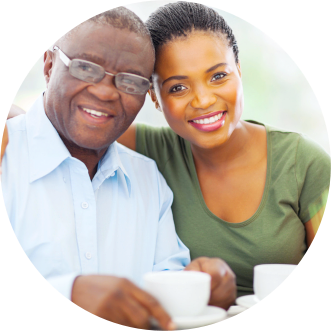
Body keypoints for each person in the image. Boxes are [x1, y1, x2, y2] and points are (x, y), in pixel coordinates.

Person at [2, 1, 330, 299]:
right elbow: (74, 119)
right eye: (178, 87)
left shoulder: (303, 164)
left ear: (239, 71)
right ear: (155, 99)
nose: (203, 100)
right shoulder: (147, 151)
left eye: (218, 75)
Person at [0, 7, 236, 330]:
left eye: (130, 81)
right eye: (86, 67)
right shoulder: (6, 158)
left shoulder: (148, 179)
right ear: (49, 64)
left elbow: (165, 294)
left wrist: (203, 289)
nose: (106, 92)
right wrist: (70, 293)